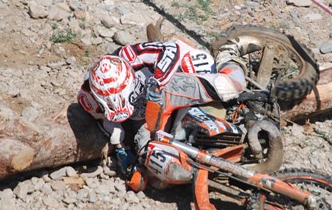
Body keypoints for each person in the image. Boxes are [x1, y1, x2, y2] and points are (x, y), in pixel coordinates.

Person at [77, 39, 246, 177]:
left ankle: (228, 55)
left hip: (170, 84)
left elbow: (172, 48)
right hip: (146, 117)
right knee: (154, 158)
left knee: (227, 86)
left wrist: (158, 82)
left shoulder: (128, 55)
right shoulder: (87, 96)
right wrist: (120, 145)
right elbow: (105, 121)